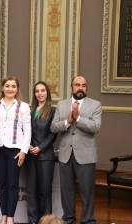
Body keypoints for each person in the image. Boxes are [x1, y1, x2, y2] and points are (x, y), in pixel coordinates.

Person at [51, 76, 102, 224]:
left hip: (86, 155)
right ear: (71, 87)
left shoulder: (95, 105)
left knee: (87, 191)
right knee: (66, 190)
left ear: (86, 88)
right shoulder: (61, 105)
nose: (81, 88)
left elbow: (95, 127)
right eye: (77, 85)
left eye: (84, 85)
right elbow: (54, 127)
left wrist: (78, 118)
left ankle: (87, 220)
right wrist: (68, 121)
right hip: (66, 153)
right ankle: (68, 219)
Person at [0, 76, 31, 224]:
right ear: (2, 88)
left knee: (12, 184)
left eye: (13, 86)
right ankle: (4, 215)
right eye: (7, 86)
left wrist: (24, 151)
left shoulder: (23, 106)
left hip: (15, 151)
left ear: (17, 89)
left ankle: (11, 217)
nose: (10, 89)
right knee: (1, 184)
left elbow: (27, 130)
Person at [25, 81, 57, 224]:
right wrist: (29, 146)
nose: (40, 93)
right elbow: (24, 130)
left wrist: (40, 147)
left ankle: (46, 221)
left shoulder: (53, 111)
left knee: (44, 191)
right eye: (37, 91)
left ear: (47, 93)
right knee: (31, 191)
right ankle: (32, 221)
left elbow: (52, 134)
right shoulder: (29, 109)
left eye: (42, 90)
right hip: (30, 156)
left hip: (45, 156)